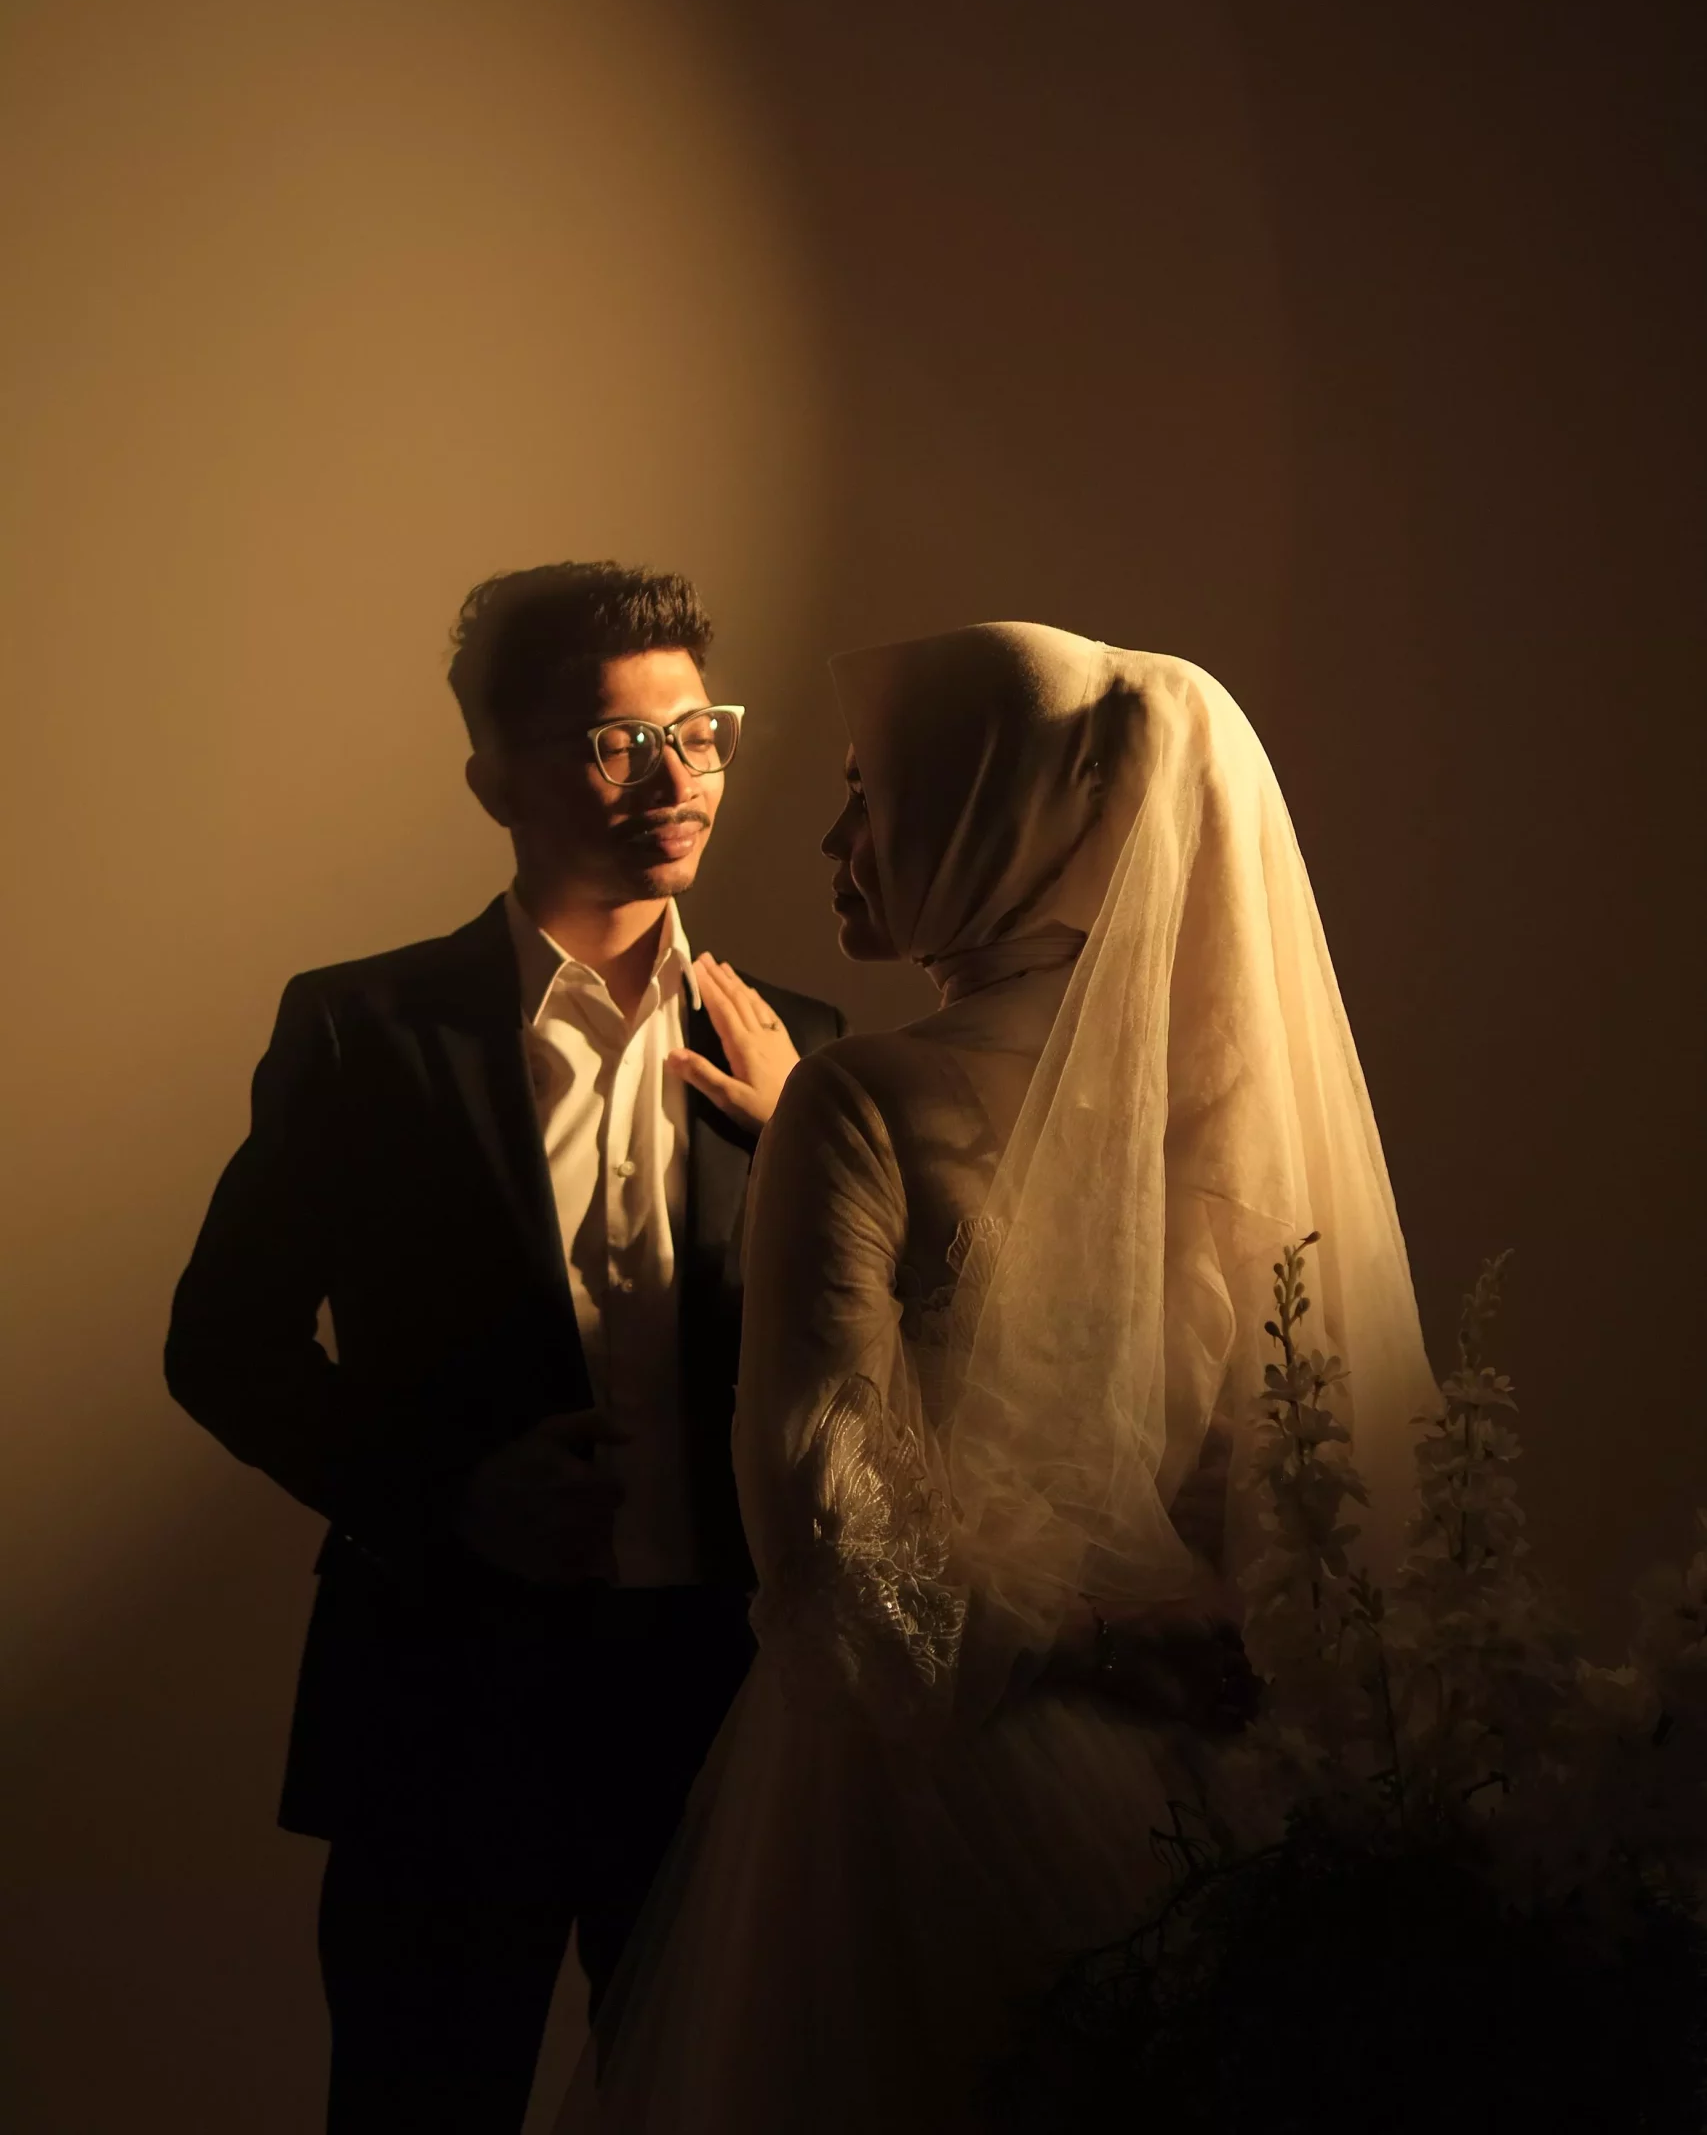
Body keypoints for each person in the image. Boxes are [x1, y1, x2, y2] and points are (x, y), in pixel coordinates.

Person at [563, 621, 1438, 2133]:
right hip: (1205, 1763)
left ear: (998, 817)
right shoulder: (1234, 1103)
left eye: (871, 792)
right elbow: (1286, 1473)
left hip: (932, 1773)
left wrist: (1072, 1641)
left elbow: (826, 1542)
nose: (834, 840)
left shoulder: (859, 1096)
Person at [165, 560, 843, 2135]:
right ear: (495, 780)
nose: (675, 780)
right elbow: (222, 1343)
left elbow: (876, 1354)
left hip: (724, 1706)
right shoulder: (365, 1030)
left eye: (699, 733)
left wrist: (806, 1137)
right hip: (446, 1702)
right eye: (616, 743)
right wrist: (451, 1491)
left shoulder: (795, 1044)